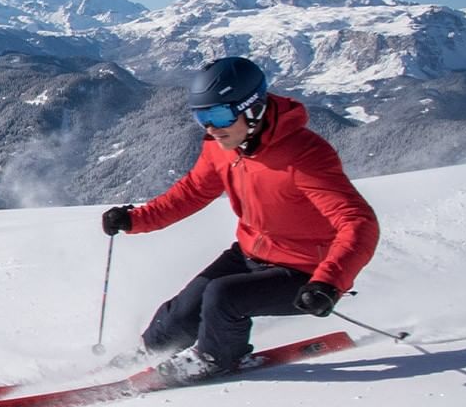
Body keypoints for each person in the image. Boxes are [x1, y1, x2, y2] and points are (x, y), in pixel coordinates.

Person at [101, 56, 380, 385]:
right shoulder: (222, 147)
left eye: (219, 115)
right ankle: (154, 350)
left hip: (304, 272)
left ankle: (214, 358)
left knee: (224, 296)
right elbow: (191, 192)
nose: (210, 128)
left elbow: (359, 222)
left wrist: (329, 283)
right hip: (251, 253)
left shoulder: (304, 157)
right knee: (184, 309)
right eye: (201, 117)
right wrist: (135, 220)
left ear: (254, 109)